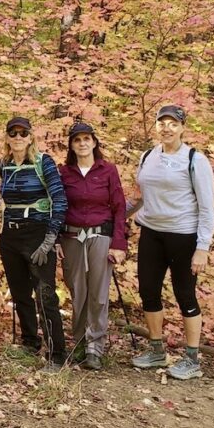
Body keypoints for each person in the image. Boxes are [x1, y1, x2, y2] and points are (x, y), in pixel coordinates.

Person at [131, 105, 214, 380]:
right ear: (156, 126)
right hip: (151, 234)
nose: (166, 128)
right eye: (162, 123)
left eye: (173, 123)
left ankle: (192, 358)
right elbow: (142, 196)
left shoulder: (194, 160)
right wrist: (113, 216)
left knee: (185, 295)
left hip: (183, 236)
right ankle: (156, 350)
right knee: (148, 291)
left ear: (182, 127)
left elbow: (207, 207)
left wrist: (202, 247)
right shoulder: (147, 156)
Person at [0, 116, 68, 372]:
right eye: (13, 133)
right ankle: (29, 341)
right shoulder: (2, 164)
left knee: (45, 295)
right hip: (10, 236)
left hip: (38, 234)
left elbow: (59, 200)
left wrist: (50, 239)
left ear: (30, 137)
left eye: (22, 133)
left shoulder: (43, 162)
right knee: (19, 293)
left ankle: (57, 353)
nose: (18, 138)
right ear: (7, 137)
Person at [56, 123, 127, 371]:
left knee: (98, 293)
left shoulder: (107, 170)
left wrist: (119, 243)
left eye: (87, 139)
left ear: (94, 142)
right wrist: (55, 239)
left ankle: (94, 347)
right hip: (71, 238)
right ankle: (78, 343)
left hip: (100, 237)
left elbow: (119, 207)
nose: (82, 144)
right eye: (77, 140)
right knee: (78, 291)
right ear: (71, 145)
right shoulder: (64, 172)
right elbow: (56, 207)